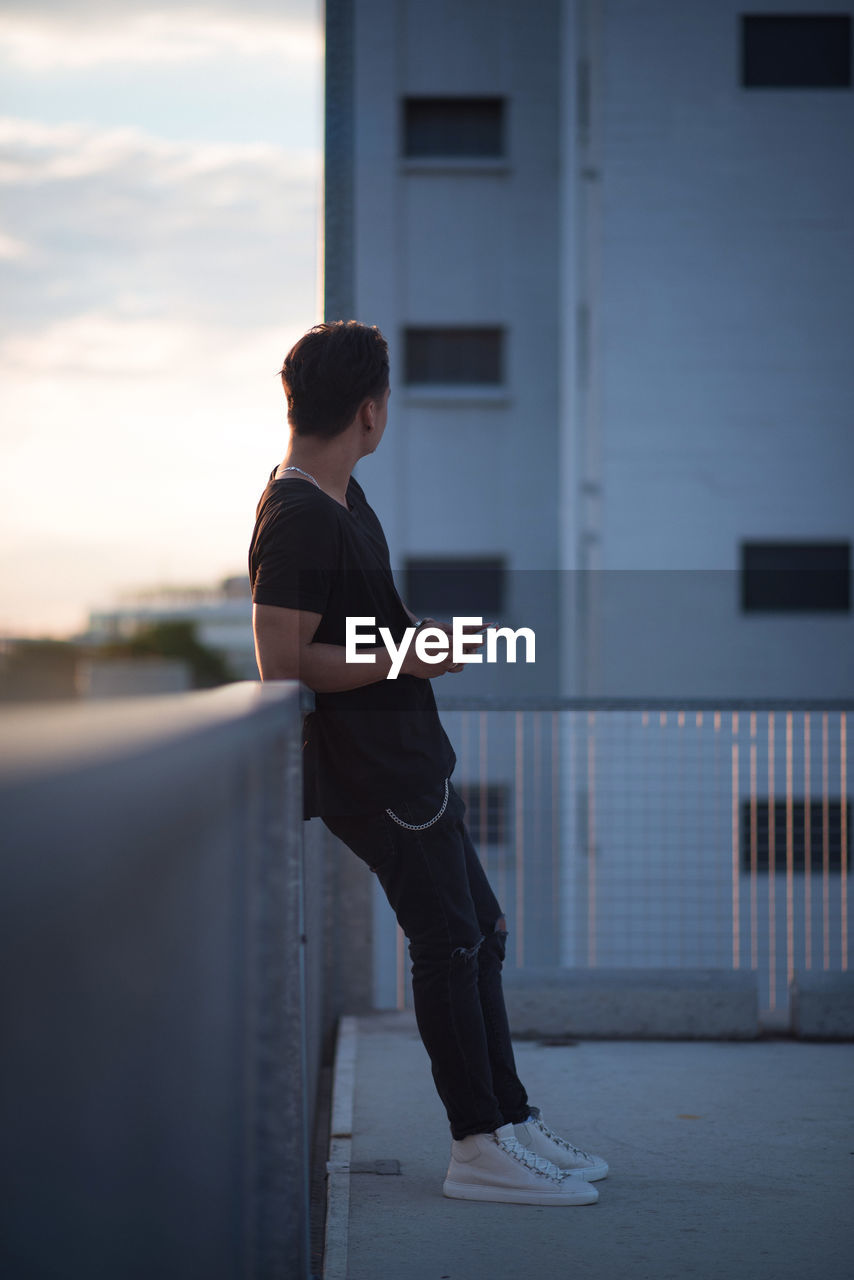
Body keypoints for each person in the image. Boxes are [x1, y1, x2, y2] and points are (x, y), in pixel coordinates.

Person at [248, 320, 608, 1205]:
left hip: (411, 760)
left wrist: (418, 643)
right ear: (371, 412)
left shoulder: (341, 498)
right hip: (374, 775)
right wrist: (406, 658)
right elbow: (283, 662)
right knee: (447, 945)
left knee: (479, 934)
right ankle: (476, 1147)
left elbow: (342, 635)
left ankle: (509, 1122)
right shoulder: (296, 512)